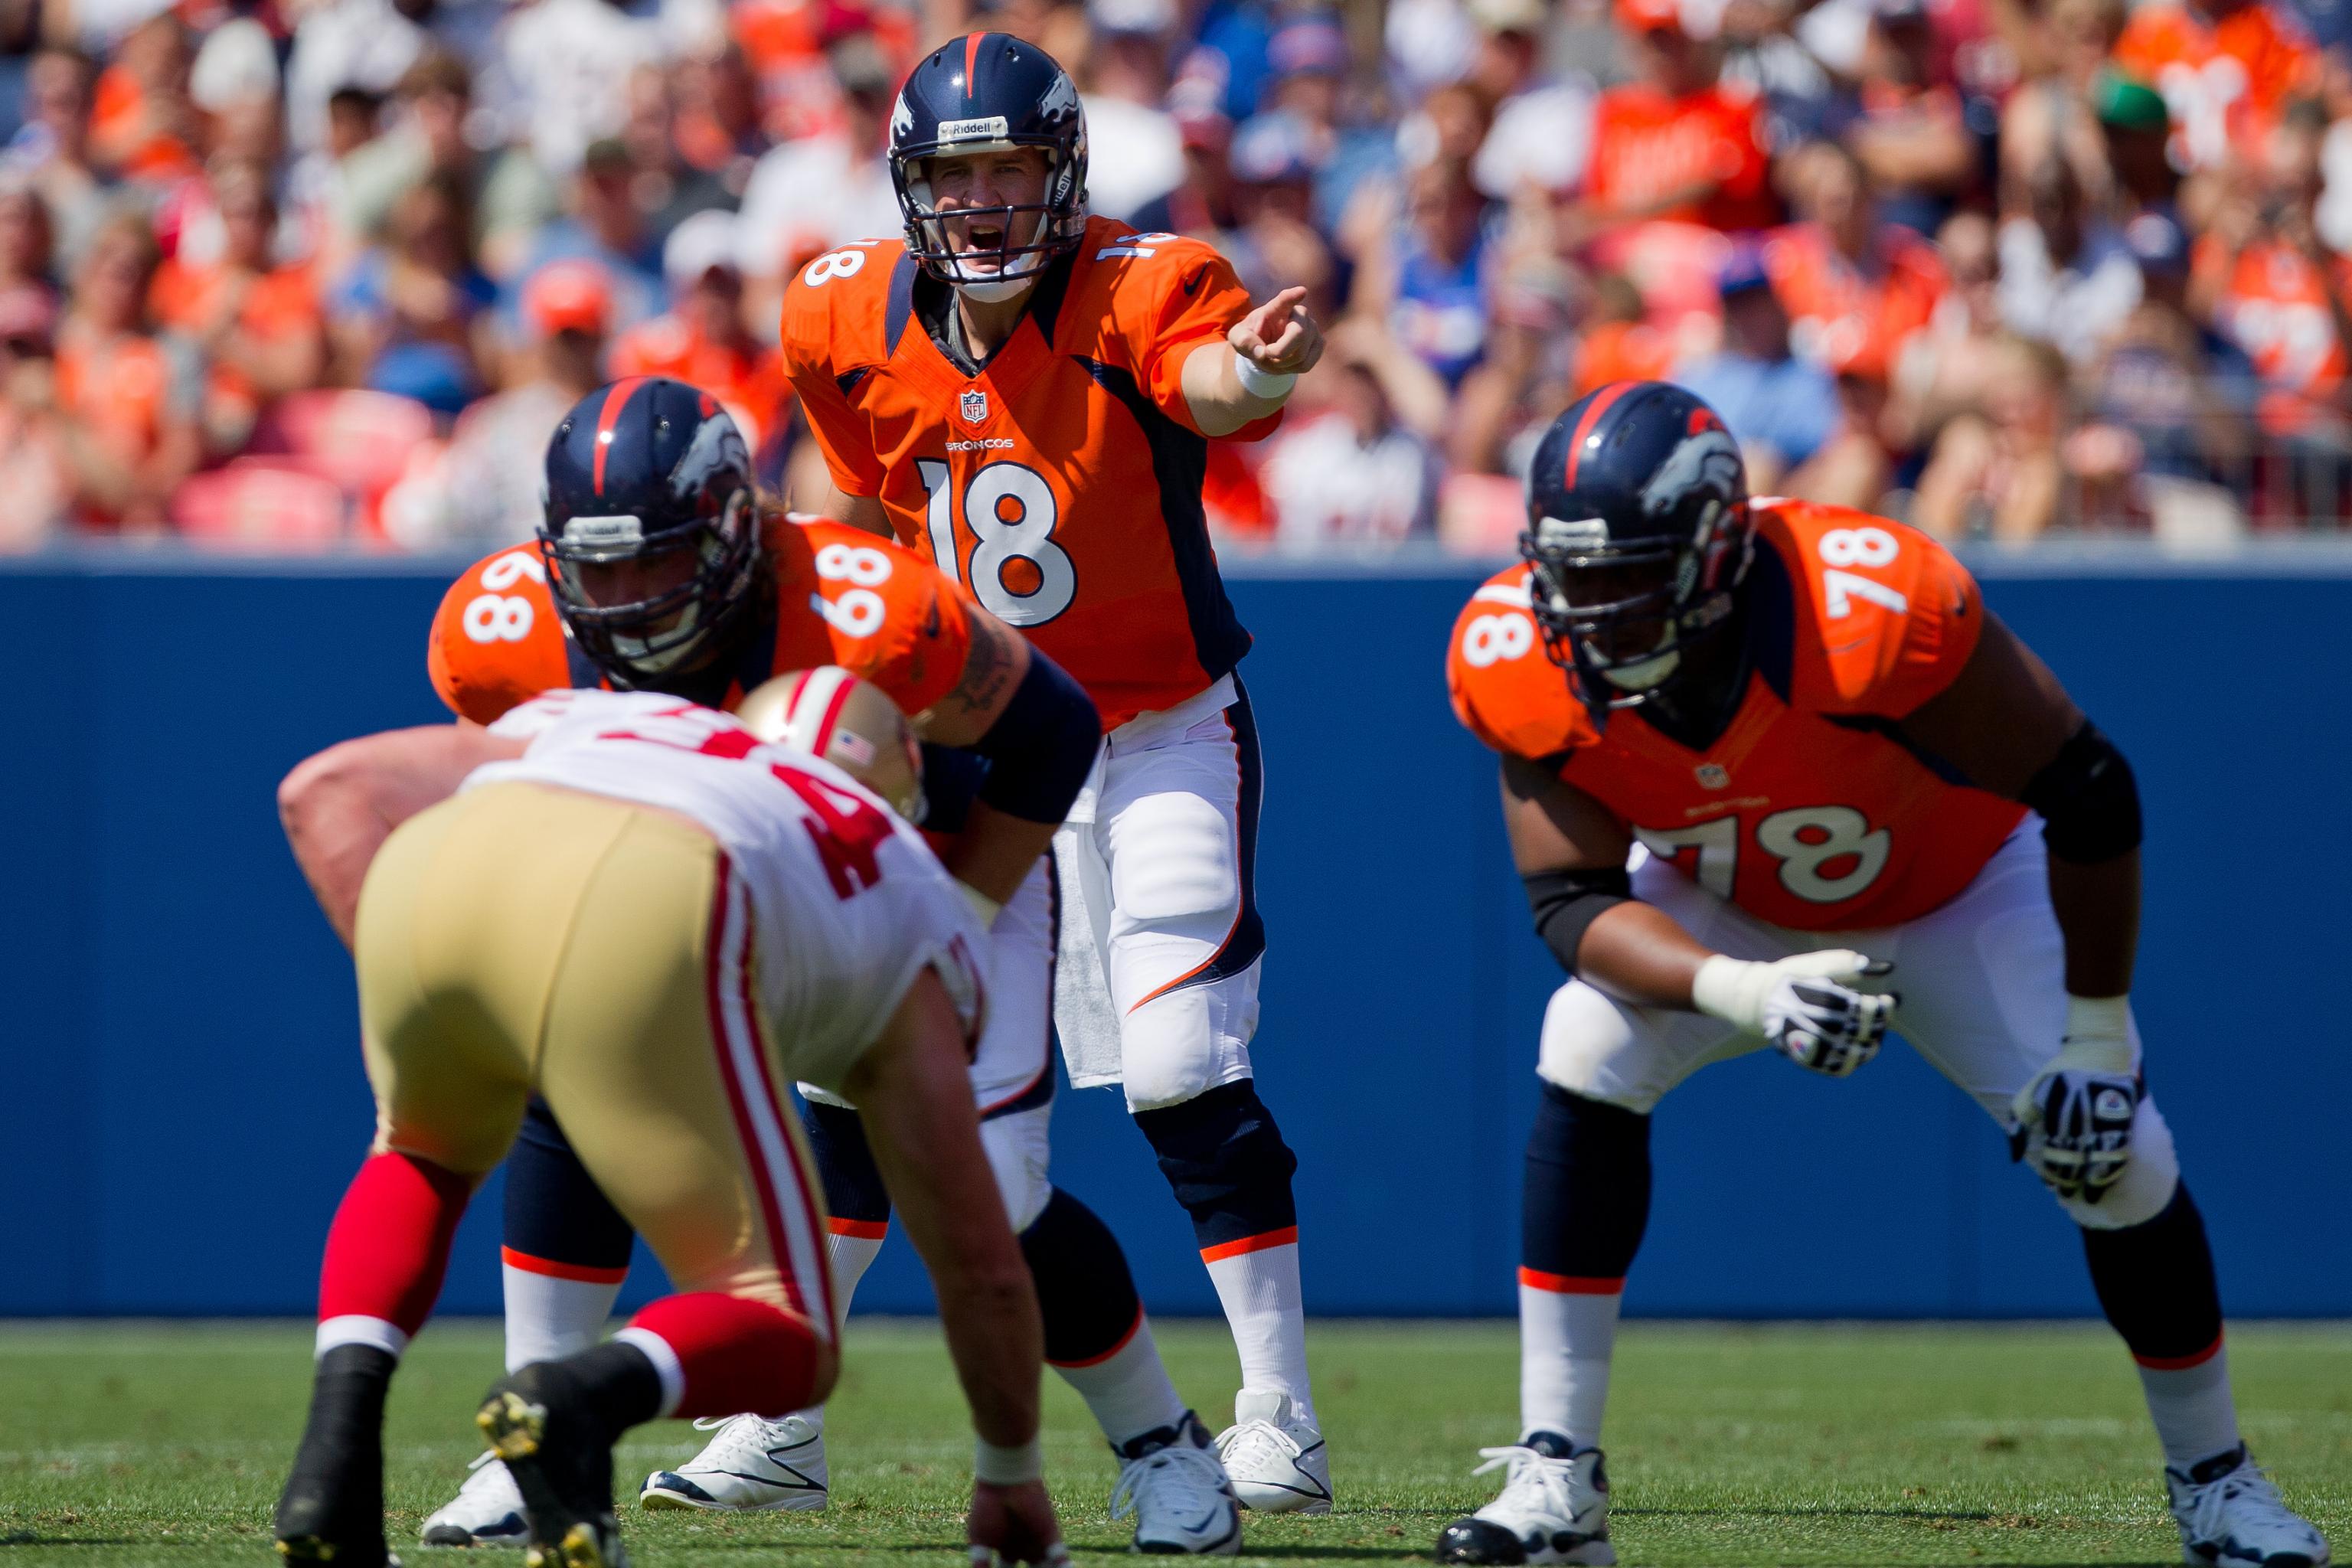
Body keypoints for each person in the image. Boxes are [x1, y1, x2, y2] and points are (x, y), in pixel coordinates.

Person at [1431, 380, 2333, 1568]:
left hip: (1962, 888)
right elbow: (1571, 901)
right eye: (1572, 575)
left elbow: (2090, 791)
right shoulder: (1519, 656)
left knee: (2119, 1154)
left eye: (1627, 575)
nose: (1589, 611)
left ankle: (2220, 1486)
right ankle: (1559, 1479)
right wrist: (1742, 988)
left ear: (1712, 551)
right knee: (1583, 1041)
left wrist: (2099, 1041)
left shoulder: (1862, 606)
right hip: (1738, 903)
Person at [412, 377, 1243, 1556]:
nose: (635, 601)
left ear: (736, 526)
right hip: (710, 883)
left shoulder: (861, 600)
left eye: (664, 562)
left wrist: (956, 912)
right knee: (571, 1066)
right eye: (606, 571)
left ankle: (1162, 1443)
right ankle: (536, 1443)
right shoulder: (504, 630)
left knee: (992, 1195)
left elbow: (1051, 732)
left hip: (914, 875)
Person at [777, 31, 1334, 1513]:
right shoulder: (840, 314)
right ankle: (779, 1412)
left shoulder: (1140, 285)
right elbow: (848, 497)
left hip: (1155, 729)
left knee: (1177, 1064)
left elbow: (1208, 385)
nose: (980, 202)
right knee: (865, 1058)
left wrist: (1254, 370)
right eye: (953, 174)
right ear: (911, 187)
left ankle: (1276, 1409)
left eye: (1008, 167)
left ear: (1063, 172)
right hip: (979, 746)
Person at [268, 675, 1067, 1568]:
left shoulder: (619, 713)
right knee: (789, 1328)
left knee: (419, 1155)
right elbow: (982, 1265)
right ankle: (583, 1393)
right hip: (656, 903)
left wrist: (433, 984)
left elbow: (321, 788)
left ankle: (332, 1454)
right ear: (906, 765)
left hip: (437, 870)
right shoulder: (904, 874)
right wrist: (1008, 1470)